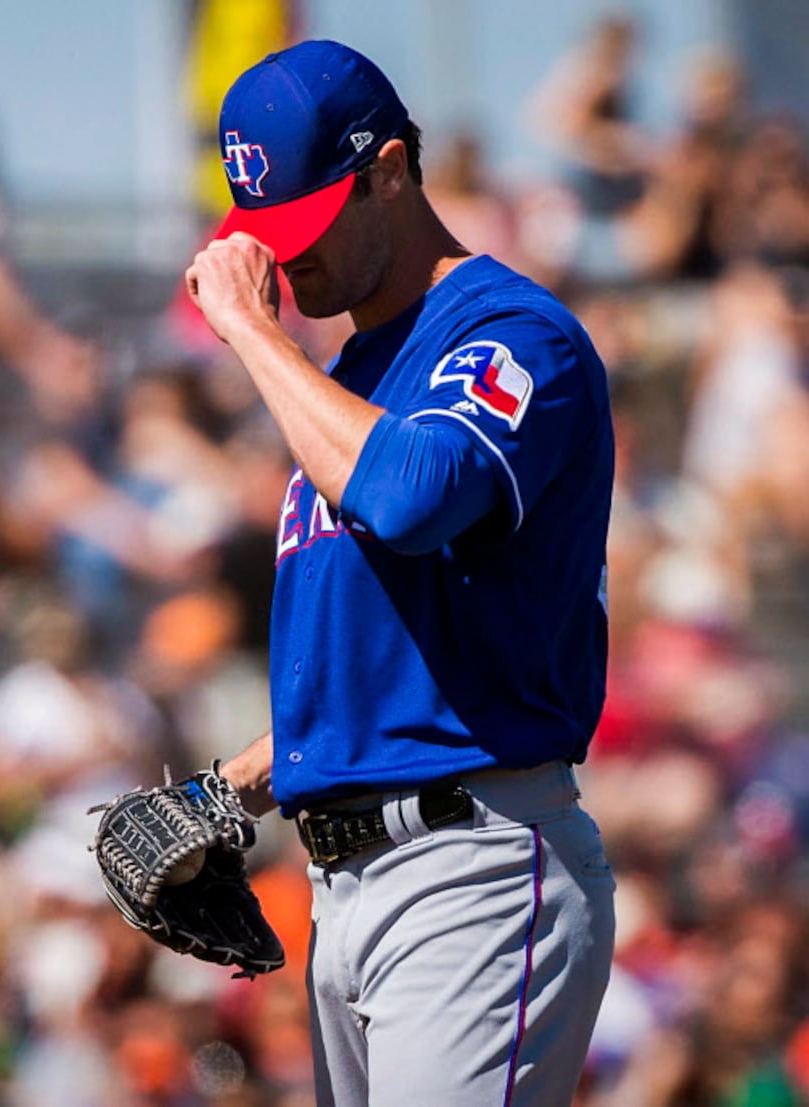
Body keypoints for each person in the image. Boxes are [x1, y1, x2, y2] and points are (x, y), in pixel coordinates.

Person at [184, 41, 618, 1105]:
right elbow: (380, 669)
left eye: (306, 221)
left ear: (387, 169)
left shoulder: (514, 331)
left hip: (474, 867)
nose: (286, 261)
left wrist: (245, 328)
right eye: (262, 233)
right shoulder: (346, 381)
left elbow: (417, 499)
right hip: (348, 885)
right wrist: (228, 791)